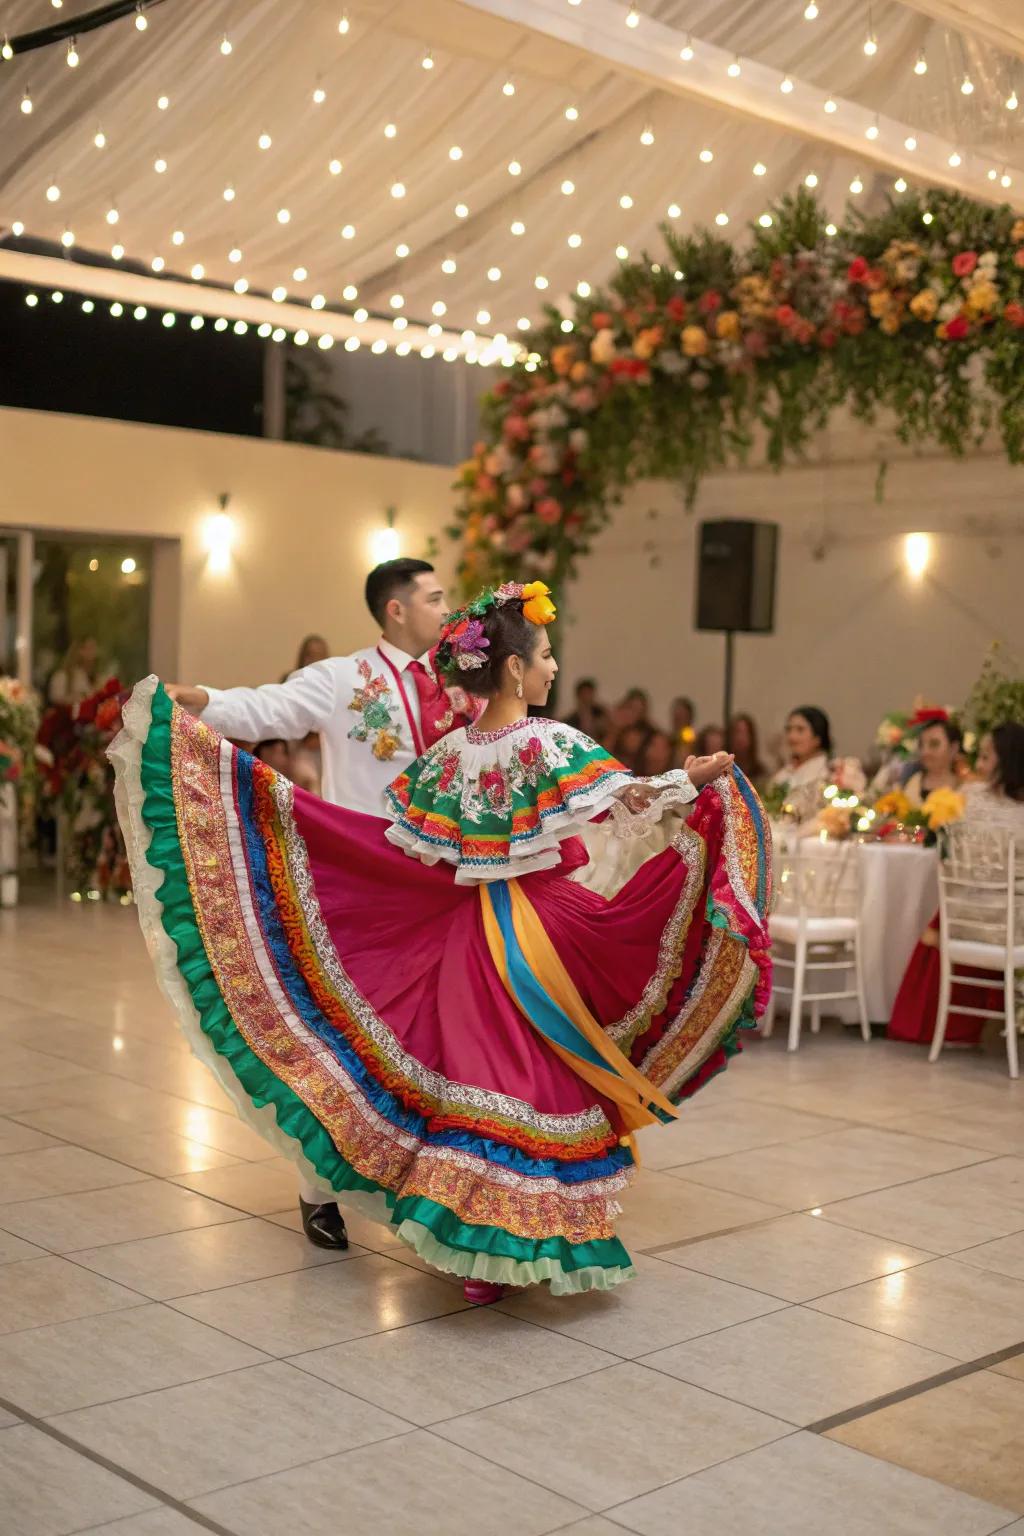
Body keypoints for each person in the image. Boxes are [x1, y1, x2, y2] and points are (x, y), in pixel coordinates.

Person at [113, 579, 772, 1306]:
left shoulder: (450, 750)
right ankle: (508, 1243)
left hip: (466, 934)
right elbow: (629, 803)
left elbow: (412, 846)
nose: (553, 667)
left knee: (484, 1083)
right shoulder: (548, 740)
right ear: (514, 669)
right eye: (546, 654)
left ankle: (479, 1249)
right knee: (532, 1083)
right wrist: (691, 779)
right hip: (540, 932)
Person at [162, 557, 479, 1251]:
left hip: (445, 888)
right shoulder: (344, 679)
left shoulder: (459, 684)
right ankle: (317, 1186)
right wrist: (202, 699)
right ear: (396, 610)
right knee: (348, 1040)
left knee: (432, 1038)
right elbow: (267, 708)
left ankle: (427, 1175)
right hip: (364, 887)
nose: (444, 607)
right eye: (433, 598)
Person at [888, 722, 1024, 1048]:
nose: (979, 764)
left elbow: (945, 856)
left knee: (942, 912)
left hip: (963, 923)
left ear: (1005, 762)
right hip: (1013, 930)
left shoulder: (967, 797)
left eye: (987, 756)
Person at [768, 706, 832, 823]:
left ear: (818, 738)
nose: (792, 737)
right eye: (789, 729)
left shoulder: (827, 773)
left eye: (800, 730)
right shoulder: (785, 772)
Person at [903, 712, 965, 807]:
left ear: (953, 748)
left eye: (934, 744)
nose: (925, 752)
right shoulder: (913, 783)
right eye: (921, 745)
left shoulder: (964, 788)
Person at [49, 637, 103, 706]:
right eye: (89, 648)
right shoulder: (62, 676)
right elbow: (56, 699)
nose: (93, 654)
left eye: (94, 649)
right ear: (78, 651)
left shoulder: (95, 677)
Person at [728, 714, 766, 785]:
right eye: (737, 732)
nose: (740, 738)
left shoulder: (759, 771)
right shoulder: (722, 770)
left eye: (745, 733)